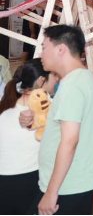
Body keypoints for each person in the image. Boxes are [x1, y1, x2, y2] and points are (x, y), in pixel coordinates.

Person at [33, 25, 93, 215]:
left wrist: (51, 192)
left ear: (61, 49)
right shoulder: (85, 77)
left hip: (67, 185)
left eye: (44, 47)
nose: (41, 54)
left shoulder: (72, 85)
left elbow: (70, 140)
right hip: (75, 181)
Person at [0, 60, 53, 215]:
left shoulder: (6, 107)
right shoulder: (45, 110)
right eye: (54, 77)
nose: (57, 81)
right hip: (29, 181)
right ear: (41, 80)